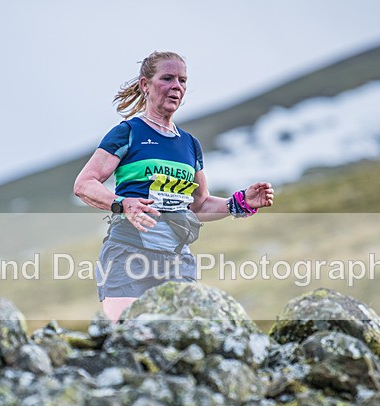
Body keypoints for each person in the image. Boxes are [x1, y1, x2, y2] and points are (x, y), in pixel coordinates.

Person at [73, 51, 274, 322]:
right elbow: (84, 184)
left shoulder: (189, 144)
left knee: (180, 340)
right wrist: (122, 204)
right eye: (167, 78)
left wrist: (239, 203)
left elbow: (199, 204)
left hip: (177, 260)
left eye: (182, 80)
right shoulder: (128, 132)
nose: (176, 86)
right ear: (145, 85)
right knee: (124, 337)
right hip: (127, 255)